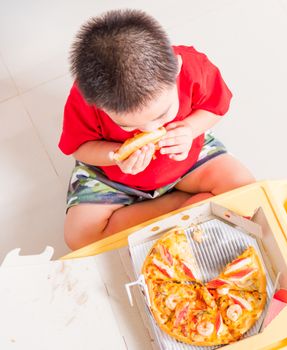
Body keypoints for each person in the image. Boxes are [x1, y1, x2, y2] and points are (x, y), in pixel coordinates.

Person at [59, 9, 255, 250]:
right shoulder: (83, 100)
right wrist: (114, 156)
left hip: (188, 160)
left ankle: (173, 212)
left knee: (244, 189)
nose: (150, 130)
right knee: (79, 238)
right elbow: (80, 149)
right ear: (97, 104)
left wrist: (190, 128)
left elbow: (214, 108)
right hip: (114, 176)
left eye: (162, 115)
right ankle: (178, 206)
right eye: (128, 126)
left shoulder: (193, 67)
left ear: (177, 69)